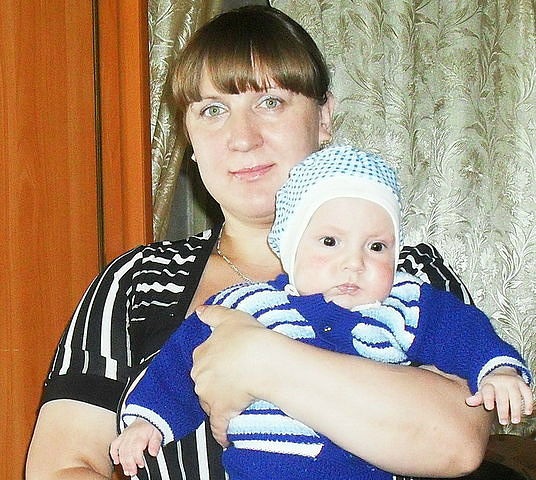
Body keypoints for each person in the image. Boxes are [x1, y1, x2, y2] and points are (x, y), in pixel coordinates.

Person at [26, 6, 499, 480]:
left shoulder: (409, 273)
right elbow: (62, 466)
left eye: (270, 101)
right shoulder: (137, 282)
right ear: (189, 137)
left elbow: (456, 444)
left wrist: (257, 358)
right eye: (213, 110)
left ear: (324, 117)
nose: (242, 138)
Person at [109, 146, 532, 479]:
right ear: (290, 246)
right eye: (330, 242)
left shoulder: (406, 304)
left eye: (377, 246)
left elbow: (466, 334)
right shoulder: (246, 304)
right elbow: (179, 364)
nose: (354, 263)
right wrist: (147, 422)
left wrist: (498, 370)